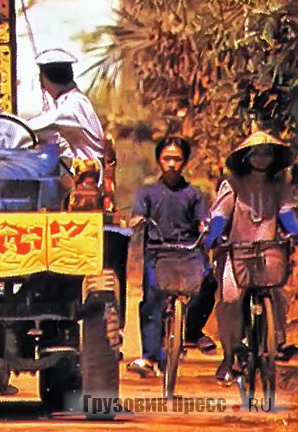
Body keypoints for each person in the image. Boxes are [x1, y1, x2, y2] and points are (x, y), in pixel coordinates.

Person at [204, 130, 298, 384]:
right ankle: (230, 353)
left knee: (278, 293)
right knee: (231, 298)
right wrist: (214, 234)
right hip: (237, 250)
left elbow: (287, 213)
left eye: (267, 153)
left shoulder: (280, 185)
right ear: (246, 157)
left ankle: (276, 342)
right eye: (256, 153)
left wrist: (294, 230)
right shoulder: (232, 184)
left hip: (268, 248)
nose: (261, 159)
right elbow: (221, 214)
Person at [127, 137, 217, 378]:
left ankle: (192, 330)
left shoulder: (193, 194)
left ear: (184, 162)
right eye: (167, 158)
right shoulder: (148, 192)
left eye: (177, 159)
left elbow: (202, 220)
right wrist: (137, 221)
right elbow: (136, 216)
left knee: (208, 282)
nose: (171, 164)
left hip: (188, 251)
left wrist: (205, 227)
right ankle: (149, 356)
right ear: (159, 160)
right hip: (158, 251)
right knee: (153, 296)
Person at [27, 48, 104, 160]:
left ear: (43, 79)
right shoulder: (71, 99)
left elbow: (35, 126)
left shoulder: (73, 103)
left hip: (88, 173)